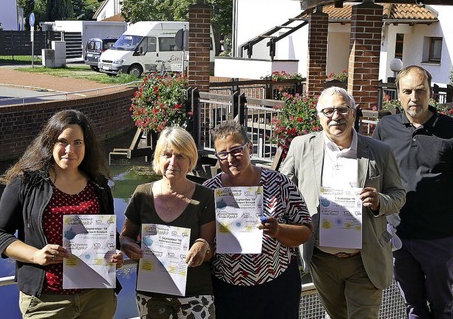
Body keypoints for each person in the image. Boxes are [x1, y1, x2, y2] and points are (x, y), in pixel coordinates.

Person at [280, 86, 406, 319]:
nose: (335, 116)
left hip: (365, 259)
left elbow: (398, 195)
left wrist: (379, 201)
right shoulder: (301, 146)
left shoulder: (379, 151)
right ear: (318, 116)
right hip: (321, 258)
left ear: (354, 112)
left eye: (342, 109)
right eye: (328, 111)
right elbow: (283, 189)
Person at [0, 109, 123, 319]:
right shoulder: (26, 182)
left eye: (78, 142)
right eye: (63, 141)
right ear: (50, 143)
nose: (70, 150)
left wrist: (114, 253)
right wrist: (35, 255)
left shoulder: (98, 185)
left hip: (97, 297)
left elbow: (109, 234)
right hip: (47, 300)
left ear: (86, 146)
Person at [372, 65, 453, 319]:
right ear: (398, 95)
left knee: (442, 309)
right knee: (413, 307)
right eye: (407, 91)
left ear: (431, 92)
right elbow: (373, 177)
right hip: (397, 237)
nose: (414, 98)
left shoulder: (452, 130)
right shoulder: (385, 128)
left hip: (438, 238)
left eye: (420, 91)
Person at [203, 120, 313, 319]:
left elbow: (306, 230)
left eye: (236, 150)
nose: (230, 158)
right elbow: (203, 240)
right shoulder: (209, 190)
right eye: (223, 153)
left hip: (277, 288)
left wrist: (278, 230)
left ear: (250, 148)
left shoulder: (279, 183)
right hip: (227, 290)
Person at [120, 126, 216, 318]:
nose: (173, 162)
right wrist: (127, 245)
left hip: (194, 292)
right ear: (158, 158)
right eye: (167, 154)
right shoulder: (142, 194)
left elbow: (210, 249)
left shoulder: (205, 197)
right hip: (151, 292)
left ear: (190, 160)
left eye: (180, 156)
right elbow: (125, 237)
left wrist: (201, 245)